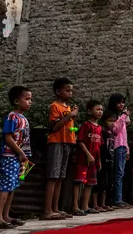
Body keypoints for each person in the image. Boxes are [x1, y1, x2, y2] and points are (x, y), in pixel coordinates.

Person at [0, 86, 33, 229]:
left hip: (19, 157)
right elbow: (8, 137)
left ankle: (6, 215)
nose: (30, 102)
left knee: (12, 186)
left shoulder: (24, 119)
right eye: (27, 99)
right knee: (5, 186)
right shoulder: (12, 117)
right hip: (9, 155)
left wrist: (24, 155)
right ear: (16, 101)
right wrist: (20, 152)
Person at [42, 78, 77, 220]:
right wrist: (70, 116)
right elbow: (54, 127)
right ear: (58, 91)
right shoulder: (54, 106)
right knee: (53, 176)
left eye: (71, 90)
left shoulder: (68, 107)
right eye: (67, 90)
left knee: (61, 177)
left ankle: (55, 208)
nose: (70, 93)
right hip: (56, 142)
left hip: (67, 143)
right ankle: (46, 210)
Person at [73, 100, 104, 215]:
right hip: (83, 159)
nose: (100, 112)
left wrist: (98, 160)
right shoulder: (86, 125)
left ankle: (85, 206)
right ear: (89, 111)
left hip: (94, 161)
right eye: (97, 109)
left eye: (101, 110)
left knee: (90, 183)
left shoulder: (100, 128)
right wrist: (88, 155)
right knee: (78, 182)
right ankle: (75, 206)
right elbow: (80, 141)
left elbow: (99, 146)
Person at [108, 93, 131, 208]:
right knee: (118, 173)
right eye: (119, 102)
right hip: (116, 147)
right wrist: (123, 117)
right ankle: (117, 199)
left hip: (122, 147)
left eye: (123, 102)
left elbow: (125, 135)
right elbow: (116, 131)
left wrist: (127, 149)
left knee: (122, 173)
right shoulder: (112, 116)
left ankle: (120, 197)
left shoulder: (121, 116)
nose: (122, 105)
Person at [93, 111, 117, 212]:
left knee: (108, 183)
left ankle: (103, 203)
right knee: (99, 183)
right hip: (102, 160)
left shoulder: (112, 134)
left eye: (114, 121)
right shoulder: (102, 132)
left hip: (110, 161)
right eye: (109, 121)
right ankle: (95, 204)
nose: (112, 123)